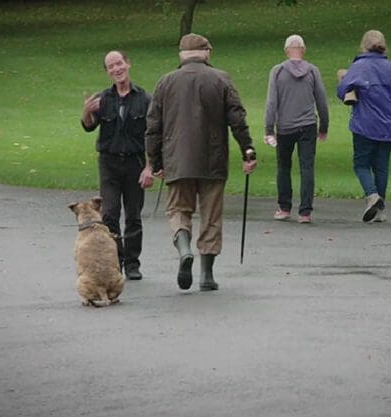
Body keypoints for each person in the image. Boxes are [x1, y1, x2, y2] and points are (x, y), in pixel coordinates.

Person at [142, 33, 258, 291]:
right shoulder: (221, 79)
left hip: (177, 159)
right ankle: (207, 275)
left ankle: (184, 251)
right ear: (205, 52)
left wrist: (155, 161)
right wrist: (248, 151)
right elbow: (237, 118)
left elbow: (153, 126)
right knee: (211, 216)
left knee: (178, 210)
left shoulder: (165, 82)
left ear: (181, 55)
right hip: (213, 160)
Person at [81, 50, 152, 280]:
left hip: (135, 162)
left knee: (133, 215)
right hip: (109, 163)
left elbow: (153, 135)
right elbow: (89, 126)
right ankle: (115, 260)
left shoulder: (144, 98)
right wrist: (87, 112)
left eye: (119, 64)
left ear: (128, 64)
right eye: (111, 66)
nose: (116, 69)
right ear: (107, 72)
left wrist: (150, 167)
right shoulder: (104, 99)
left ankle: (132, 263)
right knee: (110, 213)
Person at [336, 30, 391, 223]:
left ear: (363, 46)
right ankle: (381, 209)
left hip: (364, 124)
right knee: (381, 167)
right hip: (388, 125)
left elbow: (342, 91)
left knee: (361, 164)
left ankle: (372, 196)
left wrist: (344, 82)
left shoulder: (359, 66)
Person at [264, 34, 329, 224]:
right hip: (308, 125)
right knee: (307, 167)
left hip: (285, 127)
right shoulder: (312, 71)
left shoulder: (277, 72)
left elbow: (271, 102)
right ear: (304, 49)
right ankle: (305, 212)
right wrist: (324, 126)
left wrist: (269, 129)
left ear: (286, 51)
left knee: (284, 167)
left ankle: (284, 208)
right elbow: (322, 101)